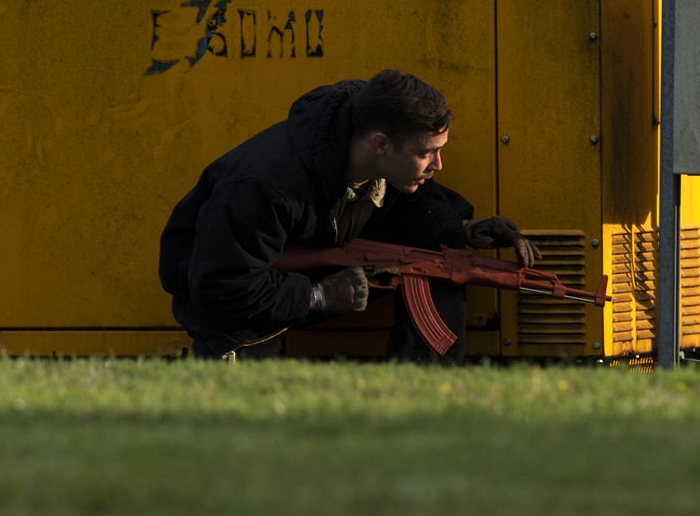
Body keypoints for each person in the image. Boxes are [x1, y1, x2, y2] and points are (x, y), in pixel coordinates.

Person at [159, 68, 540, 362]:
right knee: (255, 423)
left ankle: (426, 394)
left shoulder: (374, 148)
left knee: (439, 233)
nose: (438, 164)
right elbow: (220, 284)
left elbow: (415, 202)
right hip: (232, 293)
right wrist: (320, 295)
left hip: (311, 258)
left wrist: (467, 229)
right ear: (380, 144)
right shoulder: (266, 186)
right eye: (426, 153)